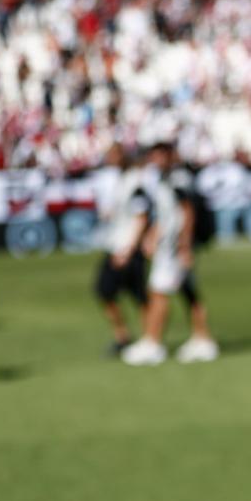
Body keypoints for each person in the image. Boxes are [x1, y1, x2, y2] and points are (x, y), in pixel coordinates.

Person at [120, 142, 219, 366]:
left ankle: (153, 342)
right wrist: (153, 236)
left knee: (158, 291)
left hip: (175, 248)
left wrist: (184, 246)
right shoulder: (165, 179)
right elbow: (167, 214)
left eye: (160, 155)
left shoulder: (177, 179)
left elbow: (187, 212)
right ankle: (202, 338)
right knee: (188, 292)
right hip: (170, 246)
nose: (155, 160)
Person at [91, 145, 150, 355]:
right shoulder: (122, 180)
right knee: (104, 291)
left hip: (127, 248)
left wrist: (128, 249)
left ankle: (149, 338)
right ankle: (124, 336)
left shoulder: (135, 182)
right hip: (115, 244)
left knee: (140, 296)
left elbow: (141, 218)